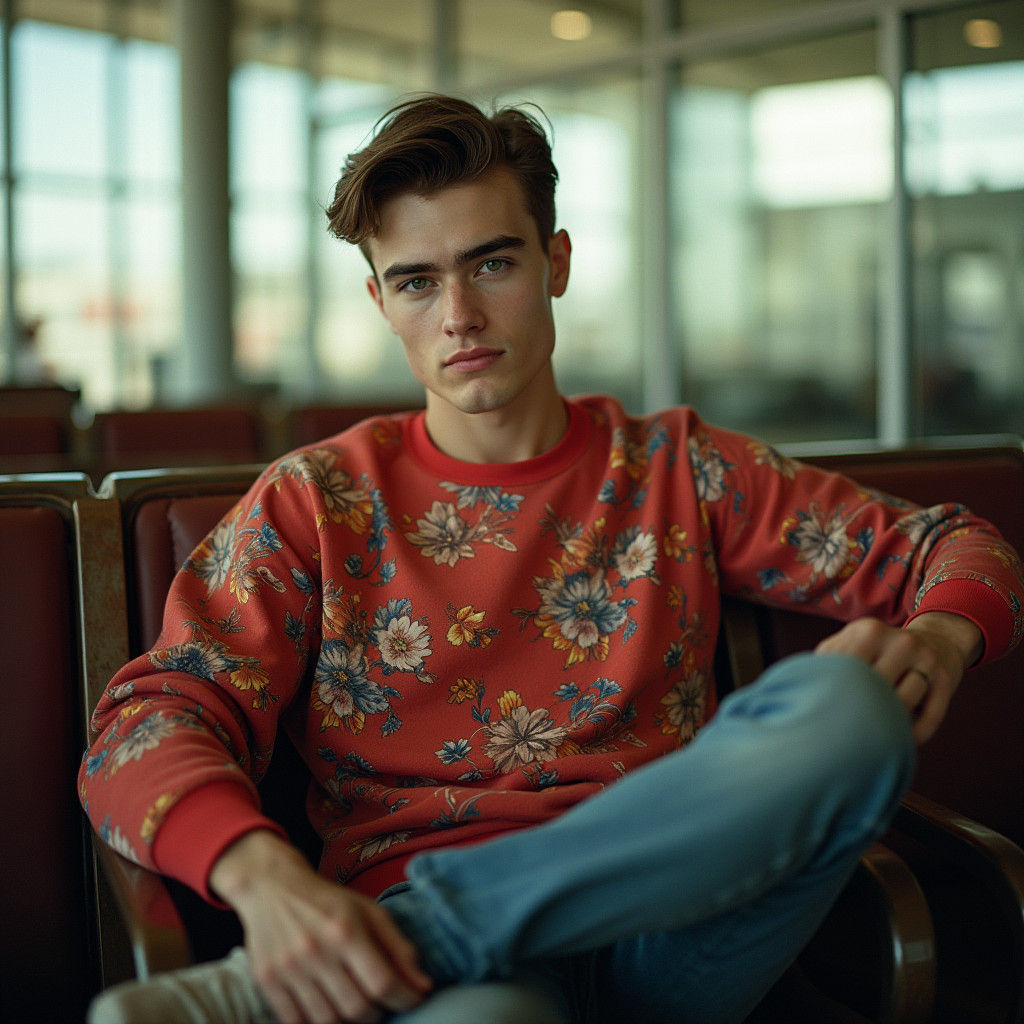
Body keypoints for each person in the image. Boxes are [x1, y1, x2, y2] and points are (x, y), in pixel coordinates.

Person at [82, 94, 1023, 1024]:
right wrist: (262, 878)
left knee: (851, 707)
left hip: (686, 925)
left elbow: (958, 544)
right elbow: (146, 720)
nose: (458, 314)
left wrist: (942, 637)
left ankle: (412, 946)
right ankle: (443, 942)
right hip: (442, 949)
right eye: (416, 281)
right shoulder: (316, 501)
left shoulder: (679, 470)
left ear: (556, 261)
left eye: (490, 263)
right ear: (380, 301)